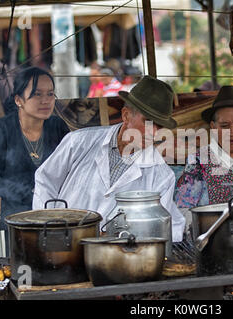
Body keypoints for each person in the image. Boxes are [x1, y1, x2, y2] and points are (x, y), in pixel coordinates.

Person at [33, 75, 186, 242]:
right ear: (126, 115)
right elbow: (45, 181)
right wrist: (51, 228)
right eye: (148, 121)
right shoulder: (78, 142)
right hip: (65, 246)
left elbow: (169, 227)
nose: (154, 132)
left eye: (160, 126)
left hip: (116, 258)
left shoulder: (161, 175)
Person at [0, 67, 70, 233]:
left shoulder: (58, 127)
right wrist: (29, 193)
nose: (46, 100)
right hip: (18, 221)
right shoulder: (3, 129)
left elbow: (73, 169)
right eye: (37, 94)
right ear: (18, 100)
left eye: (50, 94)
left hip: (56, 218)